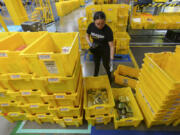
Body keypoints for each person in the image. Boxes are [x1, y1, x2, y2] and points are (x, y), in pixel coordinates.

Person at [86, 11, 114, 83]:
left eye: (102, 23)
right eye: (98, 24)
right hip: (95, 48)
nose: (100, 26)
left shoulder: (108, 30)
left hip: (105, 49)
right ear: (94, 21)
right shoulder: (91, 26)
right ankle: (95, 77)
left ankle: (109, 77)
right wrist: (90, 43)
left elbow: (111, 46)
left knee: (106, 65)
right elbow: (87, 36)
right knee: (96, 64)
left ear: (105, 21)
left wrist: (111, 59)